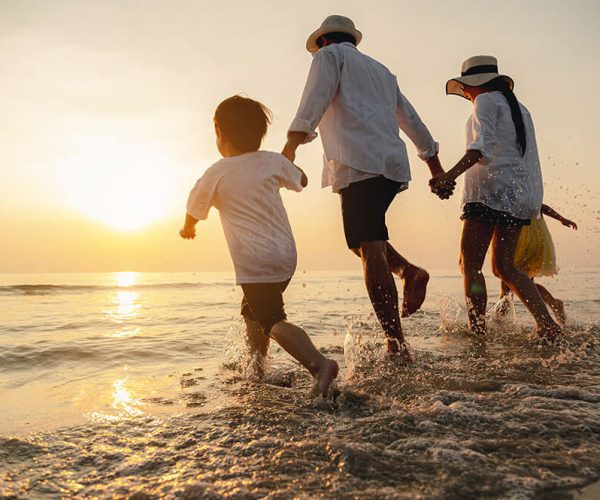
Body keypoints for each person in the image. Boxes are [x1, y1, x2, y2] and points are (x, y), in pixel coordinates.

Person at [282, 15, 450, 361]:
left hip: (359, 162)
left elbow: (314, 99)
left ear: (324, 41)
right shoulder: (382, 72)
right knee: (358, 241)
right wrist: (434, 166)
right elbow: (411, 119)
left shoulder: (328, 58)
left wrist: (290, 147)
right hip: (389, 165)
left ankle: (397, 344)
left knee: (369, 247)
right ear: (352, 39)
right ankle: (408, 271)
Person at [180, 95, 339, 397]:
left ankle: (318, 364)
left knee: (271, 320)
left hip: (256, 262)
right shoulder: (271, 160)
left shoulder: (217, 172)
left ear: (219, 132)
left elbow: (194, 207)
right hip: (285, 257)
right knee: (252, 311)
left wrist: (187, 228)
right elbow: (301, 180)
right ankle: (257, 371)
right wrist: (286, 167)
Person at [430, 55, 562, 340]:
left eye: (466, 87)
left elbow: (480, 150)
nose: (465, 93)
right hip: (517, 198)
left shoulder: (485, 101)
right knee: (504, 267)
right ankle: (547, 325)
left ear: (475, 85)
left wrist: (447, 176)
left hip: (488, 195)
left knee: (470, 265)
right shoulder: (520, 109)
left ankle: (477, 330)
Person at [494, 203, 577, 324]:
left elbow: (541, 206)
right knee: (518, 280)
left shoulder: (512, 194)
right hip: (536, 238)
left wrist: (561, 219)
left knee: (509, 277)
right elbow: (541, 206)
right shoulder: (529, 194)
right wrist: (561, 219)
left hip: (523, 240)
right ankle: (552, 303)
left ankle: (499, 319)